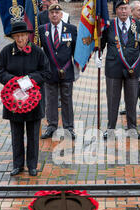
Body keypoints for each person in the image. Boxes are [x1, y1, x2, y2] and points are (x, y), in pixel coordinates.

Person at [0, 21, 51, 176]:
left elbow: (46, 72)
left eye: (23, 36)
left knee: (33, 135)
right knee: (16, 134)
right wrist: (12, 80)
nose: (20, 39)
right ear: (13, 37)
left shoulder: (37, 52)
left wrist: (29, 79)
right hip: (14, 101)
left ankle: (32, 165)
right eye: (17, 36)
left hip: (33, 100)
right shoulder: (7, 51)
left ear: (28, 35)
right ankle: (17, 165)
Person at [100, 0, 140, 139]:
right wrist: (97, 55)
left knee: (132, 99)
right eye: (120, 8)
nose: (123, 11)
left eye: (125, 8)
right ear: (116, 10)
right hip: (113, 69)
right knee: (112, 100)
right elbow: (102, 43)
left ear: (129, 10)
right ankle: (110, 128)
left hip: (133, 70)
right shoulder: (109, 25)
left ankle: (132, 127)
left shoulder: (138, 25)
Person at [39, 3, 77, 140]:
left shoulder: (71, 29)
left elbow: (74, 50)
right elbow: (40, 52)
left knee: (67, 100)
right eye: (52, 13)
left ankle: (69, 127)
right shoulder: (43, 29)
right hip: (50, 71)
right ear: (48, 15)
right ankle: (52, 126)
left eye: (57, 12)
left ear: (62, 15)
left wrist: (76, 68)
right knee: (51, 100)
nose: (54, 15)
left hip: (66, 70)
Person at [120, 0, 140, 116]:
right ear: (132, 11)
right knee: (129, 85)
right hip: (132, 59)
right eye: (139, 10)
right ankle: (129, 106)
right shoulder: (128, 23)